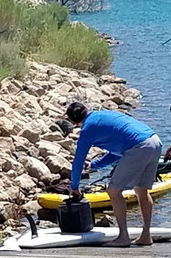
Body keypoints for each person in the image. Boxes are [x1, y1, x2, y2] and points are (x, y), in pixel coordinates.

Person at [66, 102, 162, 247]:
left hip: (139, 147)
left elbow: (78, 160)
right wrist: (94, 165)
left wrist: (74, 186)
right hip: (154, 141)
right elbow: (121, 150)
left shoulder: (87, 128)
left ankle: (123, 237)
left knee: (114, 190)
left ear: (74, 122)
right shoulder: (103, 115)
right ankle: (146, 236)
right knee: (141, 190)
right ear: (87, 110)